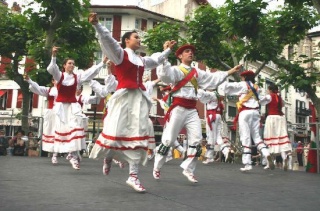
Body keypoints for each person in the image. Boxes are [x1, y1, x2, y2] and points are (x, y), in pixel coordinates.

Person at [88, 13, 174, 192]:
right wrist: (97, 25)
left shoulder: (141, 60)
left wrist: (167, 50)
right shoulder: (119, 55)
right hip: (124, 97)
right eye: (136, 37)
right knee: (116, 131)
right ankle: (109, 156)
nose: (139, 39)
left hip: (139, 99)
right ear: (127, 41)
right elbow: (108, 40)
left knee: (139, 131)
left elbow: (157, 59)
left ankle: (133, 175)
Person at [153, 43, 241, 183]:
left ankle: (189, 169)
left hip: (192, 110)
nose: (190, 53)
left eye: (192, 51)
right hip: (178, 108)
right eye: (187, 51)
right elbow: (165, 76)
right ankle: (157, 166)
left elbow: (212, 79)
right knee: (169, 139)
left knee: (196, 140)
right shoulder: (176, 70)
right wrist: (165, 53)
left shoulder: (197, 72)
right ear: (180, 56)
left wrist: (230, 71)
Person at [47, 46, 106, 170]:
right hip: (62, 107)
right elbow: (52, 69)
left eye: (73, 64)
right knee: (63, 130)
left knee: (77, 128)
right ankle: (57, 154)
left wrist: (102, 63)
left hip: (73, 106)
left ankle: (72, 155)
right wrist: (53, 55)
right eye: (69, 63)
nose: (72, 65)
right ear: (64, 65)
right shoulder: (60, 76)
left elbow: (90, 73)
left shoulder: (77, 77)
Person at [222, 70, 275, 171]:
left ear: (245, 77)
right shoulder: (256, 87)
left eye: (242, 77)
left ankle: (247, 163)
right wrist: (269, 97)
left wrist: (221, 82)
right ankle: (266, 153)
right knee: (256, 137)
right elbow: (263, 100)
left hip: (245, 113)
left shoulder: (242, 84)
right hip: (255, 113)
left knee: (245, 137)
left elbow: (228, 87)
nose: (241, 78)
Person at [260, 84, 293, 171]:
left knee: (270, 140)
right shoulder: (280, 97)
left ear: (270, 90)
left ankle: (269, 163)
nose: (267, 91)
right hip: (280, 118)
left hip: (271, 118)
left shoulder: (269, 96)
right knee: (280, 140)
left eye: (268, 89)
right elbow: (282, 105)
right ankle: (284, 158)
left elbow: (261, 101)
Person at [25, 75, 57, 162]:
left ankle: (67, 153)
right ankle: (54, 154)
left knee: (61, 133)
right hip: (52, 113)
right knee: (52, 132)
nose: (57, 81)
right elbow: (38, 88)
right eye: (55, 80)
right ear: (53, 81)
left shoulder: (64, 91)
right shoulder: (49, 90)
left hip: (61, 113)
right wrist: (30, 81)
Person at [197, 88, 231, 164]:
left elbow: (203, 95)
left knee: (210, 136)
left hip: (212, 116)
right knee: (218, 136)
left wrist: (198, 88)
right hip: (218, 116)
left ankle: (209, 157)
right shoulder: (217, 96)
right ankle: (225, 150)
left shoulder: (211, 94)